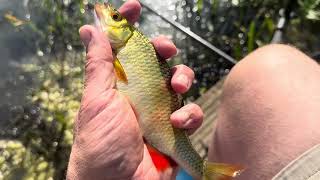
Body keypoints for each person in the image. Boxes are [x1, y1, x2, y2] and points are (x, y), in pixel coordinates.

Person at [67, 0, 320, 179]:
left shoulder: (122, 49)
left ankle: (199, 173)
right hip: (156, 139)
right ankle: (201, 172)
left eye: (115, 18)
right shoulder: (116, 52)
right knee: (275, 61)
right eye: (115, 17)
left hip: (156, 140)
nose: (106, 14)